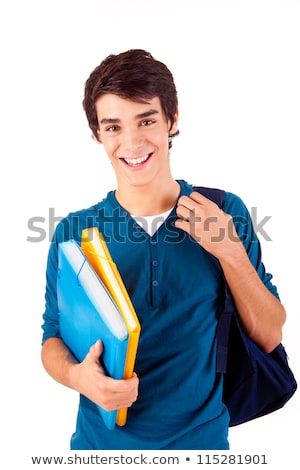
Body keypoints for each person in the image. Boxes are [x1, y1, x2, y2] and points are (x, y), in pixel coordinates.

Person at [41, 49, 286, 450]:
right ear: (97, 134)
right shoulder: (75, 230)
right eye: (113, 126)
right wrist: (77, 378)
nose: (132, 142)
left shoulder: (223, 211)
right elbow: (52, 338)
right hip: (99, 451)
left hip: (201, 448)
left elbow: (269, 334)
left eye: (147, 120)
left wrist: (230, 251)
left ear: (172, 120)